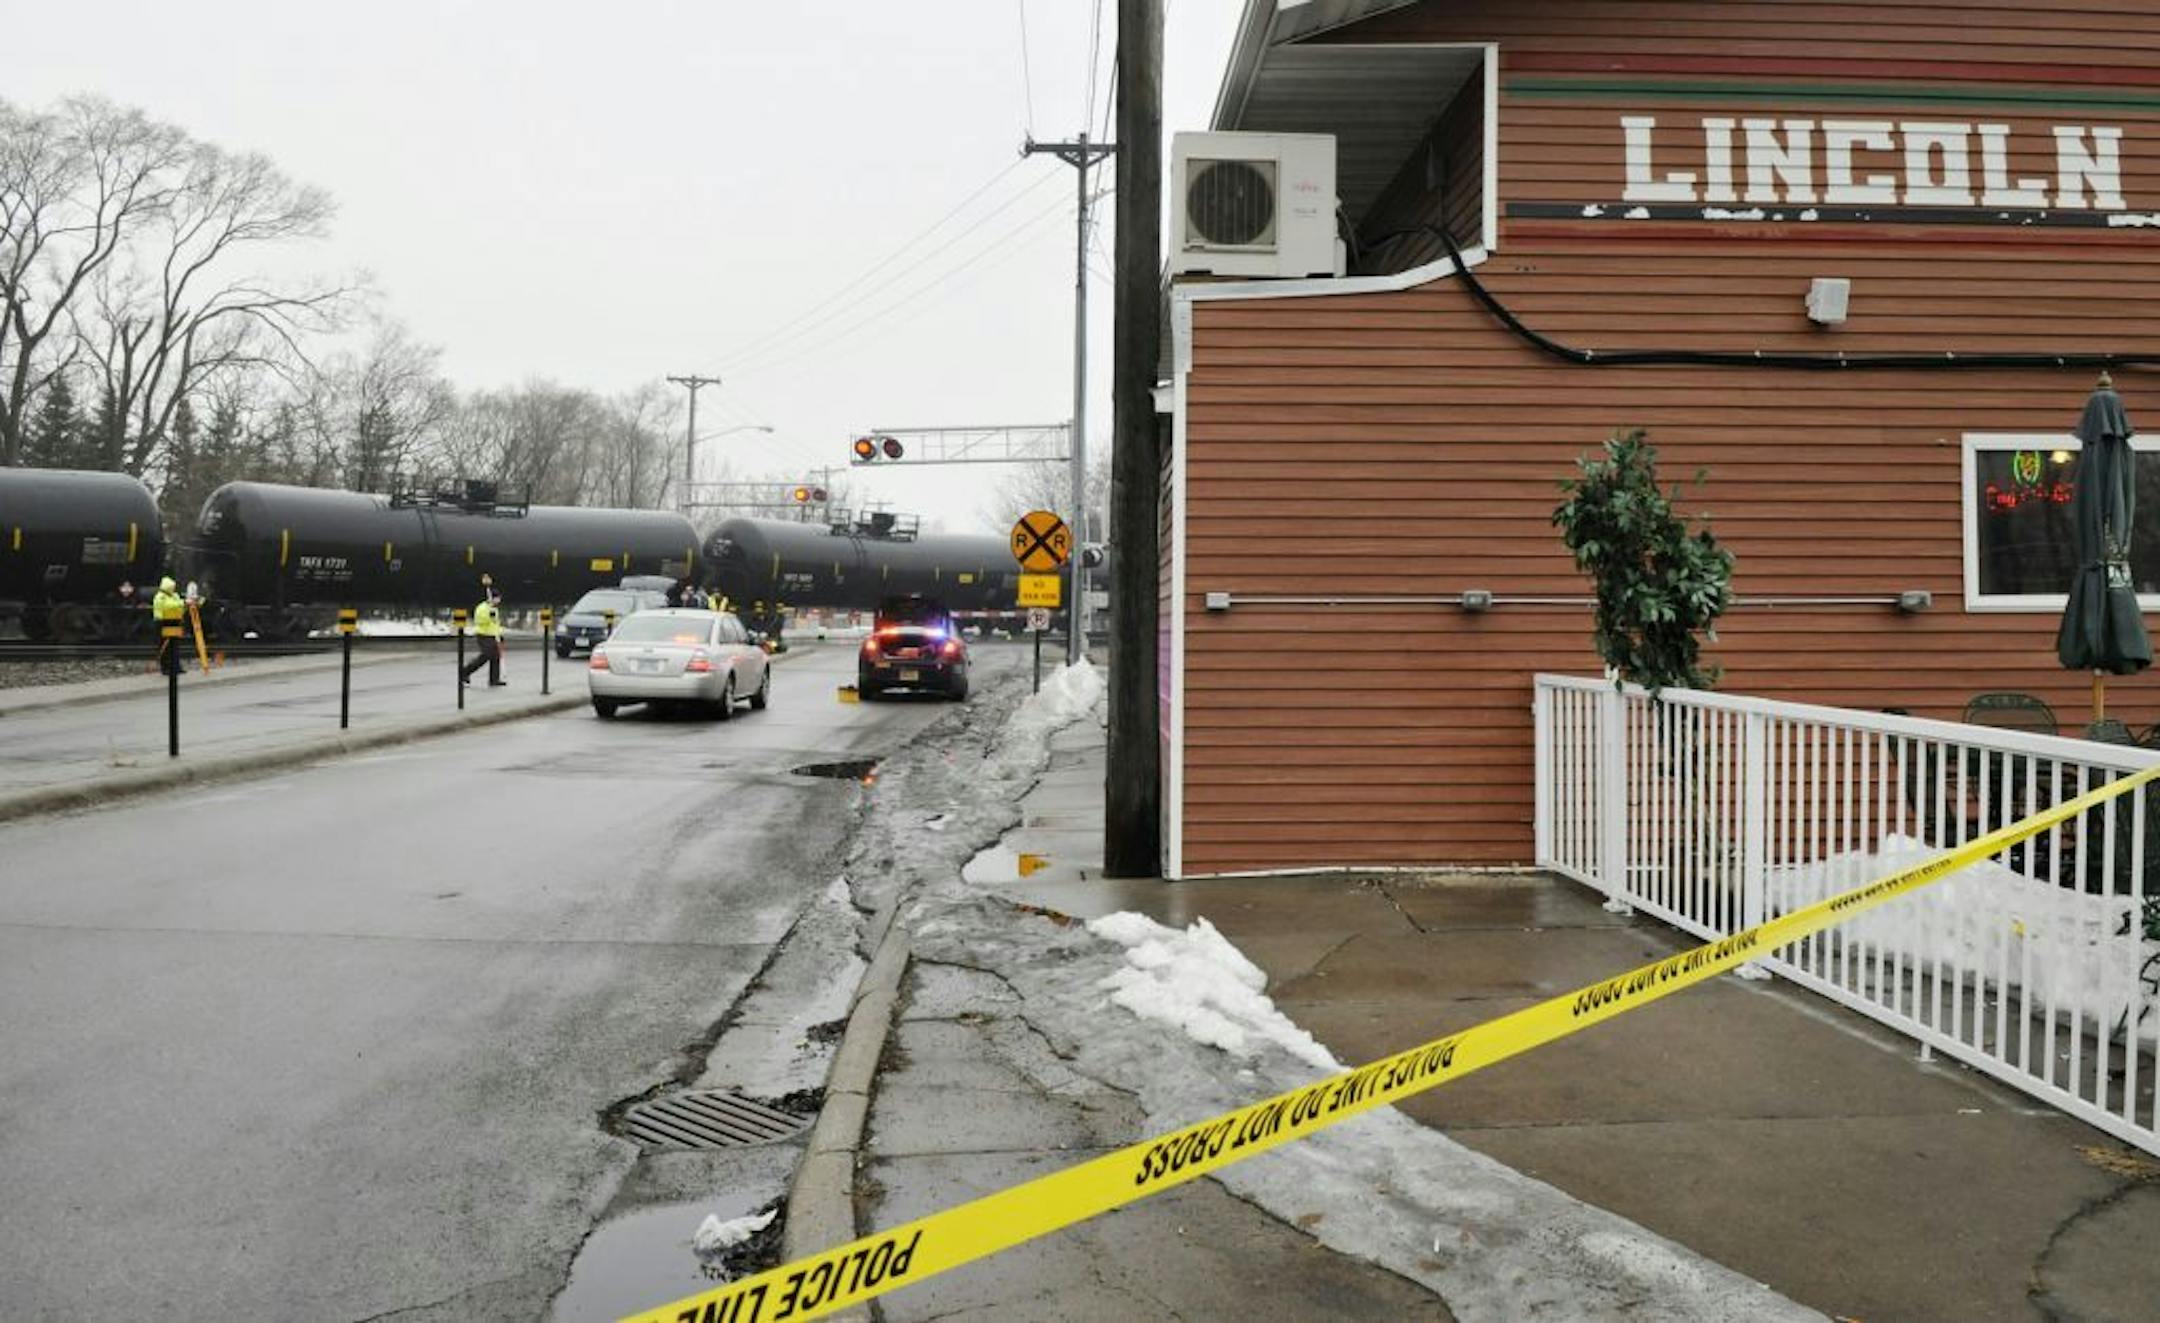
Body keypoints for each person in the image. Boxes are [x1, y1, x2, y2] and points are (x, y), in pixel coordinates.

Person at [460, 587, 507, 687]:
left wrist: (499, 634)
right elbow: (479, 621)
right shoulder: (483, 608)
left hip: (493, 635)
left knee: (496, 657)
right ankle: (466, 671)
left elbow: (495, 623)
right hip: (483, 635)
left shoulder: (494, 608)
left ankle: (494, 679)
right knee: (486, 655)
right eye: (497, 598)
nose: (499, 600)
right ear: (492, 598)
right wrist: (488, 616)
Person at [151, 576, 186, 675]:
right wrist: (182, 603)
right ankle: (165, 667)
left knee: (175, 646)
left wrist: (182, 606)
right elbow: (168, 606)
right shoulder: (160, 596)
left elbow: (178, 605)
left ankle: (176, 666)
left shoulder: (174, 595)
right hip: (163, 622)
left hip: (175, 621)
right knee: (165, 646)